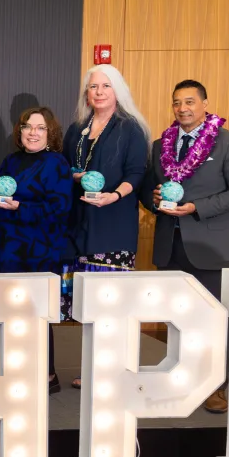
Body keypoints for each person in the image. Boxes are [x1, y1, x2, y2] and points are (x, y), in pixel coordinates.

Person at [143, 80, 229, 414]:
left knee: (215, 321)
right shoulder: (159, 145)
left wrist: (196, 207)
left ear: (206, 103)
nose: (183, 109)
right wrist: (155, 200)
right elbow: (157, 190)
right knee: (178, 319)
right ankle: (183, 381)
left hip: (211, 246)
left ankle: (218, 386)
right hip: (170, 245)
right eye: (176, 103)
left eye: (190, 101)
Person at [63, 63, 149, 387]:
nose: (98, 92)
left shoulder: (131, 128)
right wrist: (74, 175)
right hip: (82, 224)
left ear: (118, 91)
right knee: (89, 305)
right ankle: (95, 369)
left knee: (112, 304)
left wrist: (114, 195)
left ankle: (115, 370)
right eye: (93, 87)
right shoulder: (77, 129)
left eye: (105, 86)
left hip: (114, 223)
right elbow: (66, 167)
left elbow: (136, 174)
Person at [0, 107, 73, 393]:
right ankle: (14, 371)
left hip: (39, 248)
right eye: (27, 127)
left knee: (35, 313)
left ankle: (47, 376)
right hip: (6, 246)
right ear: (20, 131)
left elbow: (61, 208)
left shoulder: (57, 163)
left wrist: (20, 207)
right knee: (8, 312)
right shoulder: (11, 160)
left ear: (50, 133)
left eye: (40, 128)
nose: (33, 133)